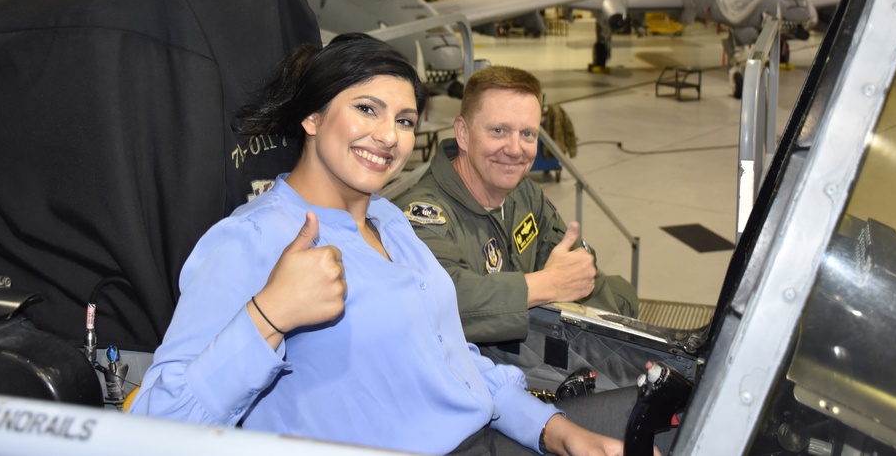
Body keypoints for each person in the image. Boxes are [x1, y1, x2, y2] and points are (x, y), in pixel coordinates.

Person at [130, 34, 652, 456]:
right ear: (311, 118)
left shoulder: (389, 220)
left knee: (669, 414)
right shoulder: (252, 239)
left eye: (403, 120)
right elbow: (154, 429)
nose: (389, 136)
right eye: (367, 109)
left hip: (484, 432)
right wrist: (268, 316)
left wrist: (551, 428)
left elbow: (454, 359)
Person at [395, 65, 643, 392]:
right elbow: (444, 300)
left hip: (528, 362)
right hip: (465, 384)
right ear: (463, 133)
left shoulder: (523, 194)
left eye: (527, 134)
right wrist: (547, 284)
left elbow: (573, 271)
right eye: (498, 131)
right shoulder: (423, 215)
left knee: (622, 297)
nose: (515, 149)